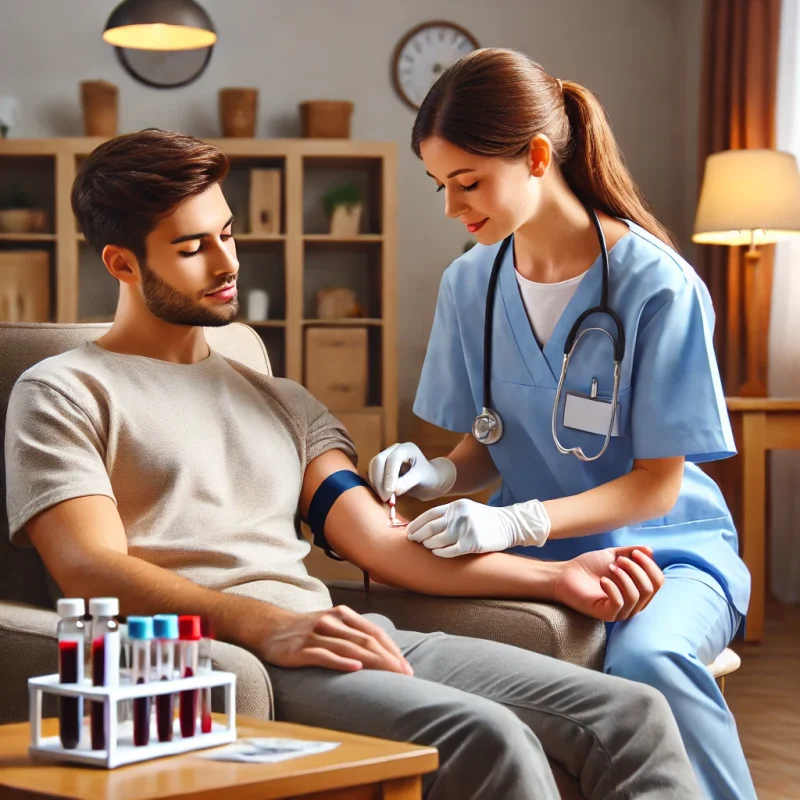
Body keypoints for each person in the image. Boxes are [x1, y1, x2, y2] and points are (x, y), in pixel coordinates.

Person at [2, 129, 701, 799]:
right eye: (192, 248)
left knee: (631, 714)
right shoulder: (63, 392)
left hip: (338, 632)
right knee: (489, 736)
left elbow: (383, 545)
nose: (227, 264)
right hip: (237, 654)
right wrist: (260, 624)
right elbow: (87, 567)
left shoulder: (283, 401)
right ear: (122, 263)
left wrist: (557, 576)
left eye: (228, 233)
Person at [368, 49, 755, 800]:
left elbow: (654, 488)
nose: (452, 207)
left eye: (468, 182)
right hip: (547, 564)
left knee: (646, 666)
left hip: (665, 555)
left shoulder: (657, 286)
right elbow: (489, 440)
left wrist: (514, 523)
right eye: (439, 185)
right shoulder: (470, 283)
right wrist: (440, 473)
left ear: (538, 156)